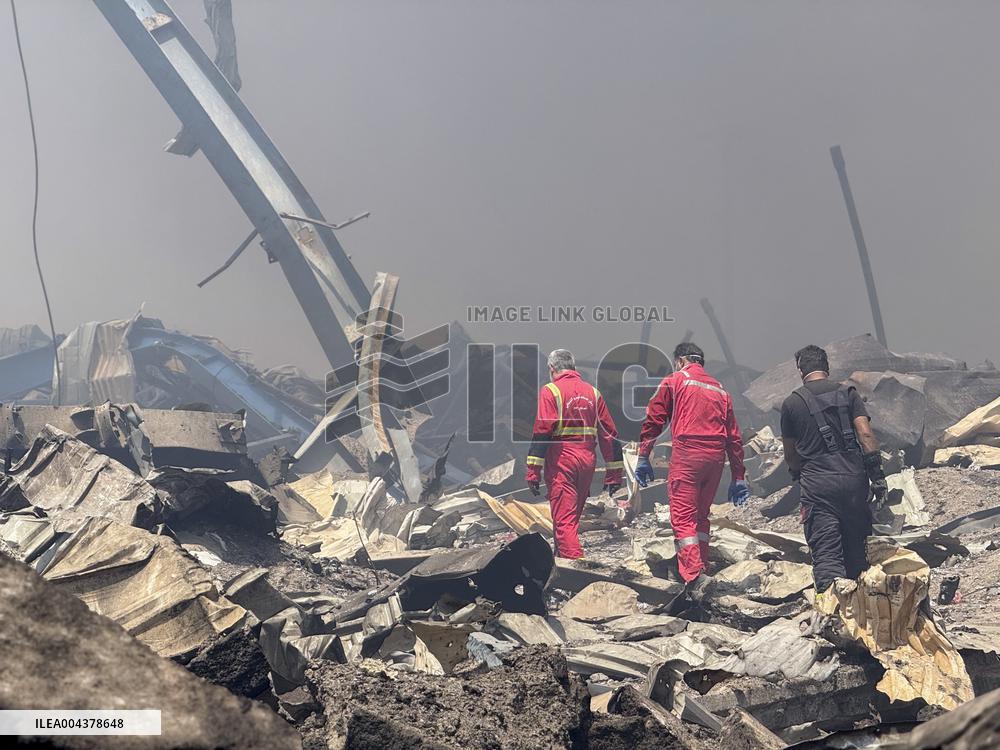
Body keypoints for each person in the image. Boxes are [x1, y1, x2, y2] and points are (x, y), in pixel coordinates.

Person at [635, 342, 748, 593]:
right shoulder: (720, 390)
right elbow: (734, 437)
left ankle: (694, 577)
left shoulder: (676, 380)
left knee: (683, 518)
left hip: (688, 454)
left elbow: (654, 418)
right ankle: (702, 567)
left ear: (680, 361)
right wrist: (738, 476)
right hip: (715, 459)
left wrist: (644, 455)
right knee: (700, 517)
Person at [779, 344, 888, 597]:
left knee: (827, 555)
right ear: (826, 367)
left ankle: (833, 615)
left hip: (818, 486)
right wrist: (878, 476)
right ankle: (864, 615)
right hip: (853, 482)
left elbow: (791, 455)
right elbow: (866, 434)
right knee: (858, 554)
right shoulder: (848, 393)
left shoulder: (792, 403)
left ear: (800, 370)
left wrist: (799, 475)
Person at [525, 349, 623, 559]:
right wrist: (614, 474)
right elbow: (609, 435)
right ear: (574, 367)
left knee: (564, 523)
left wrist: (533, 471)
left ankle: (578, 569)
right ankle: (560, 564)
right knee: (571, 519)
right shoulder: (593, 393)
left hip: (563, 461)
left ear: (552, 369)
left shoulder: (550, 391)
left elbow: (542, 431)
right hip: (587, 460)